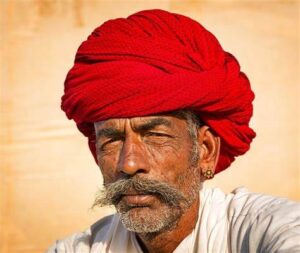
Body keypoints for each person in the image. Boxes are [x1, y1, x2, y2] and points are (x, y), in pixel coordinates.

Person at [47, 9, 300, 253]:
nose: (130, 164)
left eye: (155, 136)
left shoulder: (268, 229)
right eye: (112, 141)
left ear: (205, 151)